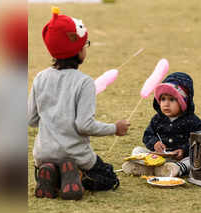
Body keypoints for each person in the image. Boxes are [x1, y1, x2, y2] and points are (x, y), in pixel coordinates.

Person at [28, 7, 130, 200]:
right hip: (76, 155)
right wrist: (114, 128)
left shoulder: (40, 78)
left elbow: (31, 119)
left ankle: (52, 174)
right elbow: (84, 125)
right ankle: (76, 175)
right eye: (85, 44)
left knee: (46, 167)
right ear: (77, 50)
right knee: (109, 177)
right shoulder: (84, 83)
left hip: (44, 155)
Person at [122, 72, 201, 177]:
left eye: (172, 99)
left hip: (179, 158)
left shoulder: (192, 121)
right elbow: (148, 135)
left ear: (183, 102)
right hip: (158, 156)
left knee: (194, 159)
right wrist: (154, 143)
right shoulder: (157, 119)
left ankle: (175, 169)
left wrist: (183, 150)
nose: (166, 103)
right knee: (137, 150)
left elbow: (199, 140)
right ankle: (146, 168)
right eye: (163, 99)